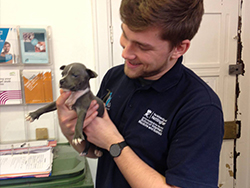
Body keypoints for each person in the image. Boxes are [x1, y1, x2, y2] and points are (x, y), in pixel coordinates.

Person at [56, 0, 224, 187]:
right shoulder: (115, 76)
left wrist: (114, 143)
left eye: (143, 47)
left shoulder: (201, 107)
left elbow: (110, 143)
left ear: (179, 48)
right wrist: (71, 132)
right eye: (125, 35)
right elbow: (96, 150)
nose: (126, 53)